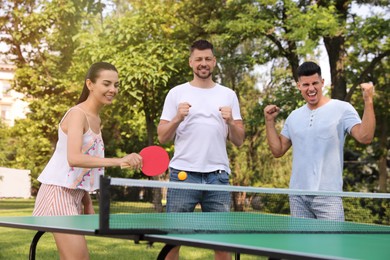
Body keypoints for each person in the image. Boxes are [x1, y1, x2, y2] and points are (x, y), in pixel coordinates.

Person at [32, 62, 143, 260]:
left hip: (73, 194)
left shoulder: (96, 118)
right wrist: (119, 161)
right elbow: (74, 159)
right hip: (57, 193)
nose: (112, 89)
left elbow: (82, 170)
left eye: (116, 85)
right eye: (107, 84)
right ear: (90, 84)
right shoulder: (77, 114)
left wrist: (86, 201)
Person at [157, 39, 245, 260]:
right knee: (173, 242)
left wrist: (231, 122)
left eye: (207, 59)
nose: (203, 63)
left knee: (221, 244)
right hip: (183, 174)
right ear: (191, 62)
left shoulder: (228, 95)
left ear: (214, 62)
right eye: (198, 59)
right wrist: (178, 117)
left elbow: (239, 140)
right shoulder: (176, 93)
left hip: (218, 177)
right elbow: (162, 136)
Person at [263, 61, 375, 221]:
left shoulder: (342, 109)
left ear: (322, 82)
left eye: (315, 83)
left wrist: (368, 101)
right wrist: (269, 122)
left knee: (332, 246)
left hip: (328, 196)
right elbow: (277, 150)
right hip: (298, 196)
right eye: (306, 84)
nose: (311, 88)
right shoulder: (294, 116)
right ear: (298, 86)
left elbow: (365, 137)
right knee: (300, 247)